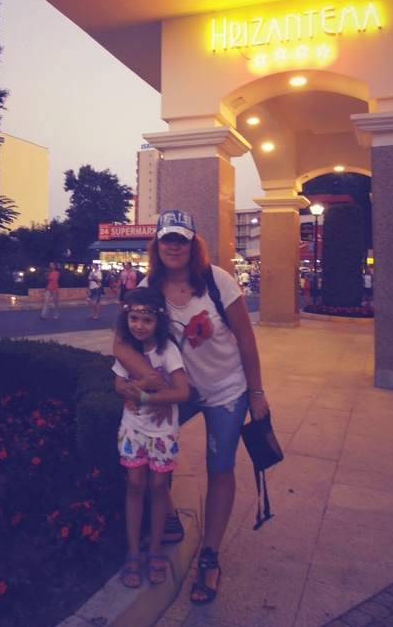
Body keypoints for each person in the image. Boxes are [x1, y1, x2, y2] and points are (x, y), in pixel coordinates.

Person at [114, 209, 270, 604]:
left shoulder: (217, 282)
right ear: (157, 245)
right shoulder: (149, 286)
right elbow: (122, 342)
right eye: (166, 239)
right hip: (176, 391)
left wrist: (256, 393)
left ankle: (210, 557)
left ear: (193, 244)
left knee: (220, 469)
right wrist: (149, 382)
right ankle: (167, 518)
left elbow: (246, 339)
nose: (173, 246)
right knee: (149, 451)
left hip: (225, 389)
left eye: (180, 240)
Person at [113, 287, 189, 588]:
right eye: (134, 318)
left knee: (159, 487)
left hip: (162, 432)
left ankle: (155, 549)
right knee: (134, 485)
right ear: (126, 318)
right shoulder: (127, 349)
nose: (139, 325)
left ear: (159, 321)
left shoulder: (167, 351)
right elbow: (119, 385)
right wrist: (144, 384)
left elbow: (183, 392)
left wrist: (148, 397)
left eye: (147, 319)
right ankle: (133, 551)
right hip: (132, 427)